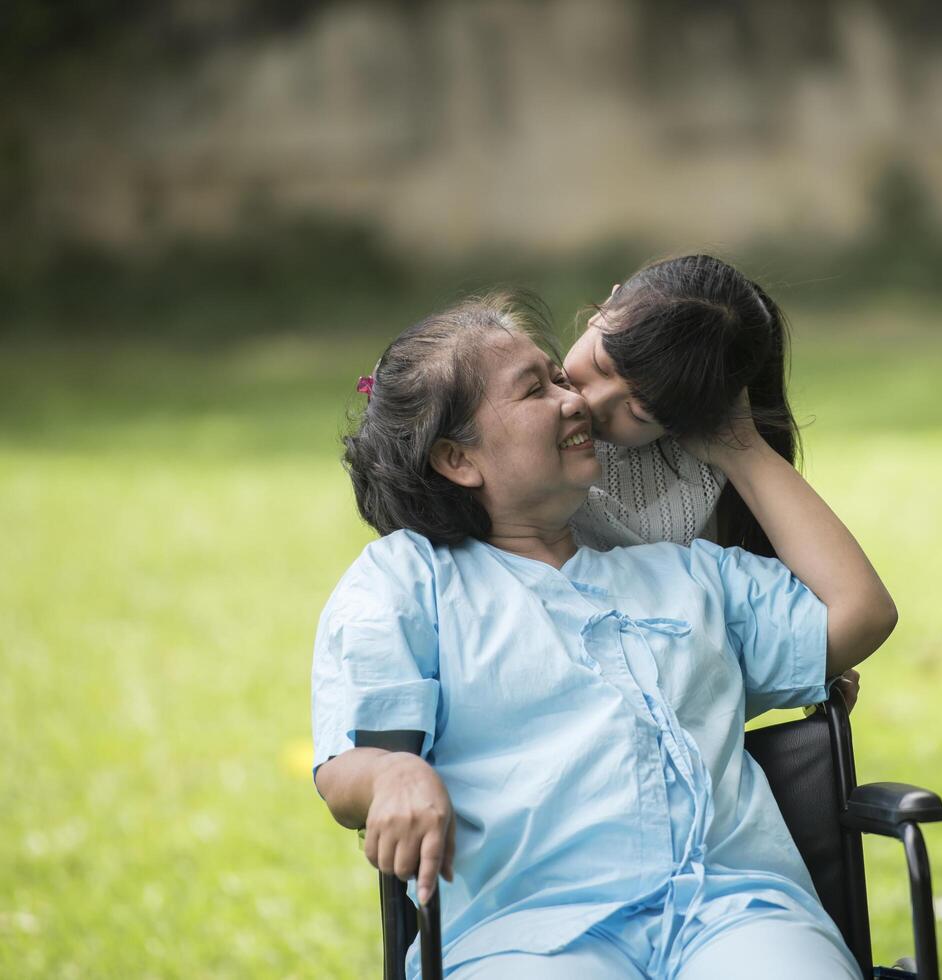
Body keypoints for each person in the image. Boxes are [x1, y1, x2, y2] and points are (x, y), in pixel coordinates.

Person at [312, 292, 897, 978]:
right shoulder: (408, 582)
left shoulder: (687, 576)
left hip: (734, 911)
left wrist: (734, 440)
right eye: (535, 390)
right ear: (457, 458)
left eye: (558, 376)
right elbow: (347, 769)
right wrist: (393, 773)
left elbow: (860, 611)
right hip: (527, 931)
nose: (573, 401)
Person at [563, 254, 858, 710]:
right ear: (610, 300)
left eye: (640, 412)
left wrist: (741, 446)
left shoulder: (697, 480)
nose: (593, 402)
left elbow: (857, 609)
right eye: (602, 362)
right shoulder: (521, 417)